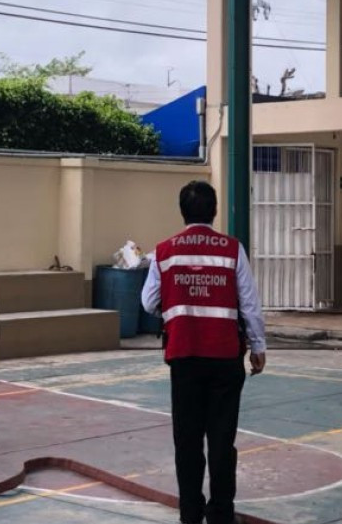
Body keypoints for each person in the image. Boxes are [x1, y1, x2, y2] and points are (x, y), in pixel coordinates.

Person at [141, 181, 267, 524]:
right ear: (214, 211)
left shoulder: (164, 252)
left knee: (188, 441)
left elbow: (149, 301)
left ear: (182, 212)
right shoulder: (232, 249)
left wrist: (179, 308)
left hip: (184, 358)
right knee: (222, 442)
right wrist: (258, 346)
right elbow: (250, 303)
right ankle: (222, 514)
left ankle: (190, 514)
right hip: (225, 358)